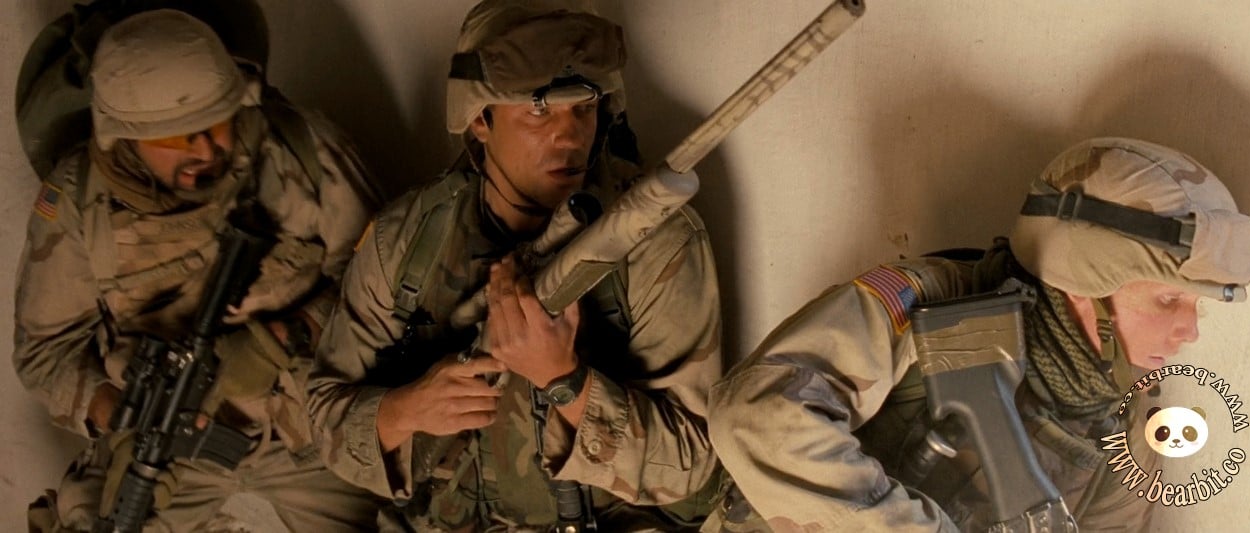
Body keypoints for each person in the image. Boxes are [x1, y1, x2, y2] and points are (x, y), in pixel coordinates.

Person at [703, 137, 1250, 532]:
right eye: (1168, 300)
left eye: (1195, 305)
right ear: (1083, 284)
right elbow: (758, 414)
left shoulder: (1126, 422)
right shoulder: (931, 304)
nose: (1189, 331)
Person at [305, 0, 724, 531]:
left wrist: (564, 381)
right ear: (480, 119)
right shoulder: (405, 239)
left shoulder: (651, 237)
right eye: (539, 111)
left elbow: (690, 464)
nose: (570, 137)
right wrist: (407, 410)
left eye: (584, 108)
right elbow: (325, 419)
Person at [14, 9, 382, 531]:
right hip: (167, 451)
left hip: (313, 426)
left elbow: (386, 278)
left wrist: (288, 335)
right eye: (177, 138)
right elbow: (44, 352)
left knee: (411, 514)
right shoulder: (77, 201)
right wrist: (116, 414)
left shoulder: (297, 149)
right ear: (124, 136)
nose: (206, 149)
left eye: (217, 124)